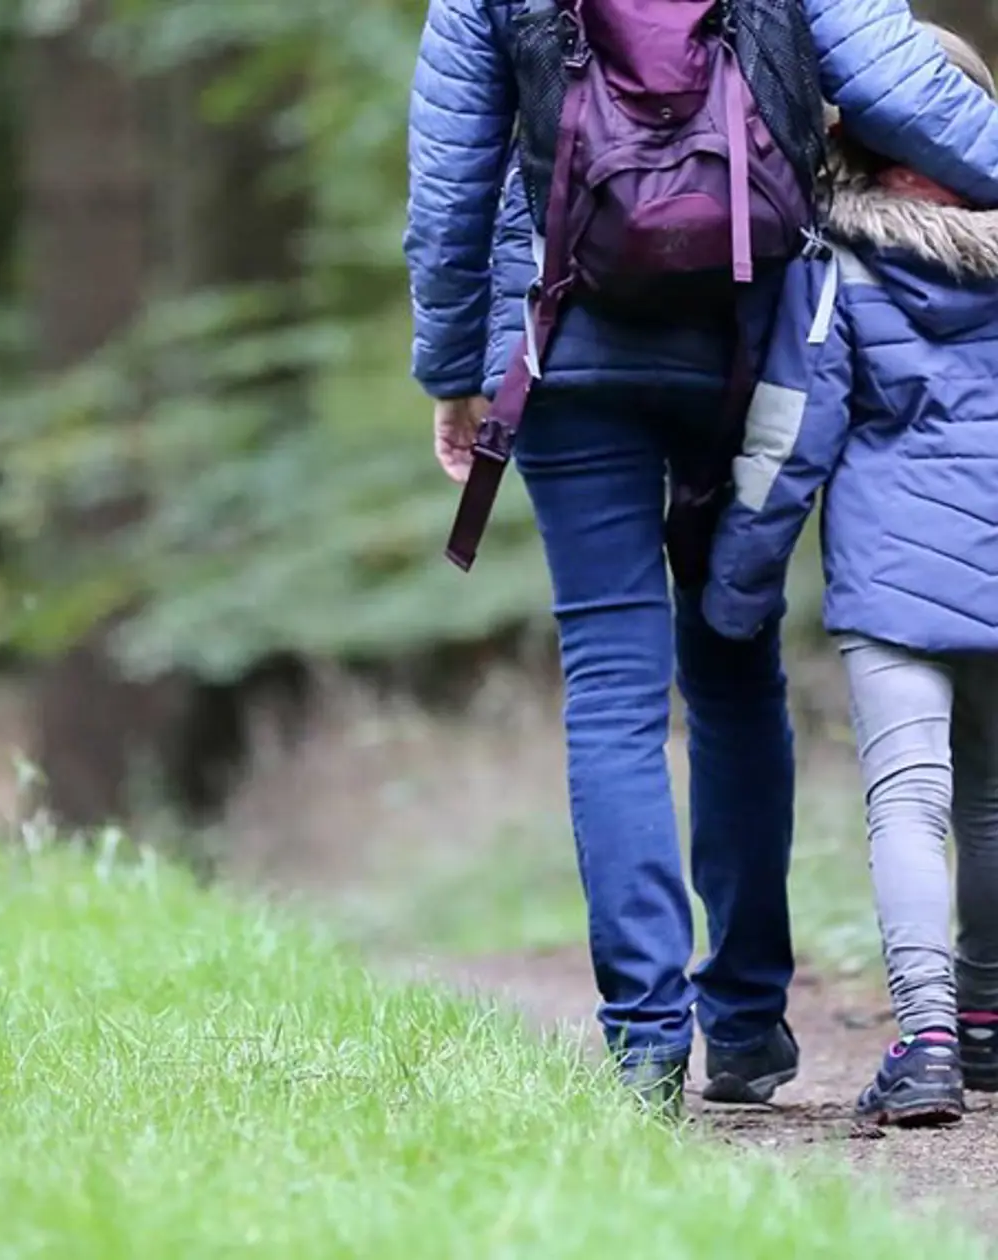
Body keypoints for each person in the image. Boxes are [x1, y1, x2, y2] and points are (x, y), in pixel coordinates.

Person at [406, 0, 998, 1115]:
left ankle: (642, 1041)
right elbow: (904, 93)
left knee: (613, 685)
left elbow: (451, 178)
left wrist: (453, 369)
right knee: (732, 666)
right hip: (748, 340)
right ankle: (744, 1022)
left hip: (565, 340)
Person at [704, 24, 998, 1128]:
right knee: (990, 807)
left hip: (893, 582)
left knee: (907, 803)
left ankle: (924, 1042)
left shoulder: (837, 265)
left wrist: (738, 584)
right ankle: (985, 1023)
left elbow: (789, 437)